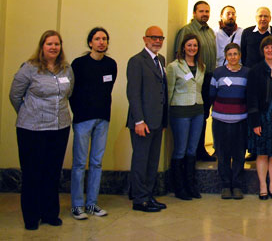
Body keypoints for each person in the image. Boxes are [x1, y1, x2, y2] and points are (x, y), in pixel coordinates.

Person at [9, 30, 73, 230]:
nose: (54, 47)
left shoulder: (66, 69)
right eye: (49, 44)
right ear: (42, 46)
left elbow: (68, 93)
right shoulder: (29, 68)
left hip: (59, 127)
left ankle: (50, 213)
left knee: (52, 172)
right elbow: (15, 96)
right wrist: (30, 113)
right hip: (32, 129)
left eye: (57, 44)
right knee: (32, 173)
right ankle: (31, 216)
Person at [69, 27, 117, 220]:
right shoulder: (79, 64)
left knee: (96, 163)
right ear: (90, 42)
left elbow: (108, 89)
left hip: (103, 118)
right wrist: (79, 112)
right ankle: (77, 205)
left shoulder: (111, 64)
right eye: (97, 39)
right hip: (82, 119)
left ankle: (92, 203)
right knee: (80, 163)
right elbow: (71, 91)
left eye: (104, 39)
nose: (101, 42)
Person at [126, 26, 169, 213]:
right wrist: (138, 121)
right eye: (153, 37)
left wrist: (164, 120)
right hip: (142, 122)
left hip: (157, 121)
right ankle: (139, 199)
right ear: (145, 39)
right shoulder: (136, 61)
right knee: (141, 161)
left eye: (160, 38)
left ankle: (149, 195)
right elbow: (133, 93)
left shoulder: (160, 60)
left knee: (152, 162)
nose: (157, 41)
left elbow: (162, 91)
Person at [246, 36, 272, 199]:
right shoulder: (255, 70)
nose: (270, 50)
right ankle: (263, 185)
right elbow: (251, 97)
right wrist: (255, 121)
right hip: (262, 118)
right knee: (262, 153)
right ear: (262, 50)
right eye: (266, 47)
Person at [174, 0, 216, 162]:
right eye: (201, 11)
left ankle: (199, 149)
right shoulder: (187, 31)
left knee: (203, 115)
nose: (205, 14)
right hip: (193, 80)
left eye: (207, 11)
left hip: (208, 79)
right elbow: (179, 56)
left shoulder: (210, 32)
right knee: (193, 115)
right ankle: (190, 151)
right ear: (194, 13)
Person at [166, 33, 205, 200]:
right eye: (189, 45)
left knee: (192, 149)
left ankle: (191, 185)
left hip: (198, 110)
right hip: (180, 111)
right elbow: (169, 91)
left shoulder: (201, 66)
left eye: (195, 45)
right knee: (180, 149)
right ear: (183, 47)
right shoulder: (174, 67)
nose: (192, 48)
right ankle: (179, 187)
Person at [210, 43, 249, 200]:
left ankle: (237, 185)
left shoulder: (247, 73)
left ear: (240, 55)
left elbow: (249, 96)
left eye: (235, 54)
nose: (233, 57)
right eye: (230, 54)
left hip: (240, 120)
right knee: (223, 154)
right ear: (225, 57)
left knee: (239, 154)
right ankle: (226, 185)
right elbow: (212, 95)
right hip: (220, 120)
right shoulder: (218, 73)